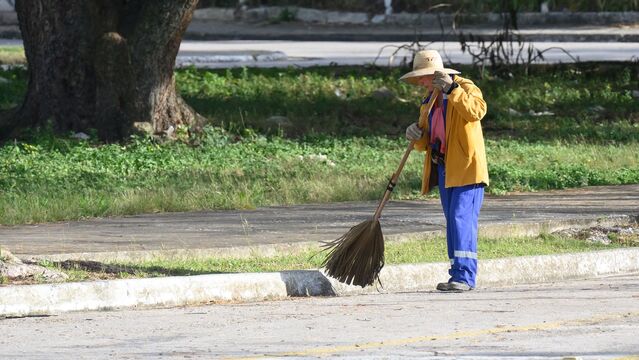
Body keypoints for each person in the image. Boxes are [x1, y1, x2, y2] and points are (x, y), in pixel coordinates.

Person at [400, 50, 489, 292]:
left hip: (467, 168)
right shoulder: (428, 101)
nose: (421, 82)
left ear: (436, 73)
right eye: (419, 78)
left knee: (462, 218)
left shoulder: (464, 87)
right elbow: (425, 138)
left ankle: (465, 277)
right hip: (444, 167)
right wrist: (414, 134)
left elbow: (477, 112)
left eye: (423, 77)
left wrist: (452, 90)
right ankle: (456, 274)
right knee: (453, 221)